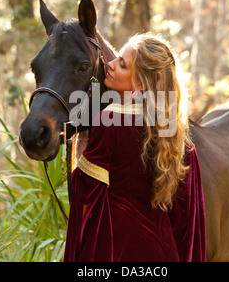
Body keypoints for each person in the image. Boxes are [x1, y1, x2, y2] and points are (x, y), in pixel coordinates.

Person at [64, 33, 206, 262]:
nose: (109, 64)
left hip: (118, 253)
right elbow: (187, 228)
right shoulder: (182, 144)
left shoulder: (108, 121)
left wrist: (81, 139)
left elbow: (85, 195)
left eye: (121, 64)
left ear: (140, 83)